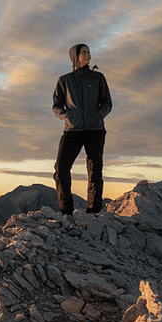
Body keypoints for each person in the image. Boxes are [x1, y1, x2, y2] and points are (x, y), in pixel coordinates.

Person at [52, 43, 112, 215]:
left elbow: (107, 102)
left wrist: (97, 115)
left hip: (95, 130)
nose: (88, 55)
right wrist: (68, 116)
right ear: (74, 56)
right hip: (72, 130)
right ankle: (66, 211)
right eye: (83, 52)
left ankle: (93, 211)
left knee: (95, 170)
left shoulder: (98, 78)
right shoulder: (65, 80)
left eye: (89, 52)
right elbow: (56, 106)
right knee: (61, 168)